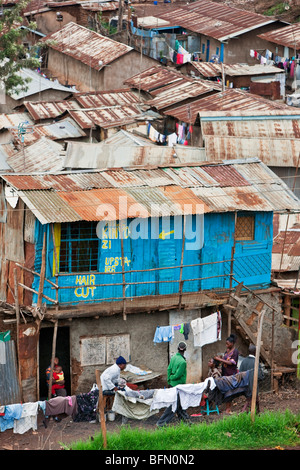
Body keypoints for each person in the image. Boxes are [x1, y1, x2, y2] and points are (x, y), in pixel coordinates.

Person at [156, 341, 190, 427]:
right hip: (178, 385)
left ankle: (185, 420)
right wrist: (171, 378)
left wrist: (168, 380)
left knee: (180, 403)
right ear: (185, 349)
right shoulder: (183, 362)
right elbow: (178, 375)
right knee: (173, 405)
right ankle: (161, 423)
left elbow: (169, 369)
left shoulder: (174, 357)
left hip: (172, 384)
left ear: (178, 349)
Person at [214, 334, 239, 414]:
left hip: (231, 375)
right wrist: (221, 357)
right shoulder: (227, 351)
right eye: (226, 344)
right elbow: (225, 359)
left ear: (232, 343)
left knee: (229, 391)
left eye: (227, 344)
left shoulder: (235, 352)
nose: (226, 345)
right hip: (225, 374)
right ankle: (226, 408)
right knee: (225, 390)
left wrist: (220, 359)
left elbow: (231, 363)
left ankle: (228, 409)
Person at [239, 344, 264, 414]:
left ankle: (258, 413)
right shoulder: (256, 362)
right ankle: (242, 413)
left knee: (255, 399)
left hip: (245, 386)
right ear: (255, 352)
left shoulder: (243, 361)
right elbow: (260, 376)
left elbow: (240, 374)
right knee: (250, 400)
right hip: (253, 385)